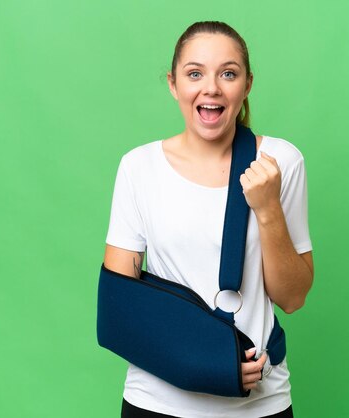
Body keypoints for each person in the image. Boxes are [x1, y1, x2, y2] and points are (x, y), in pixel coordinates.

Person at [103, 21, 314, 418]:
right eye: (195, 73)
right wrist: (207, 365)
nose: (211, 88)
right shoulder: (139, 168)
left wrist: (267, 209)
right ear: (173, 83)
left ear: (247, 84)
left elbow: (294, 297)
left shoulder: (280, 163)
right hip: (157, 403)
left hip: (260, 406)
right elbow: (120, 312)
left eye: (228, 74)